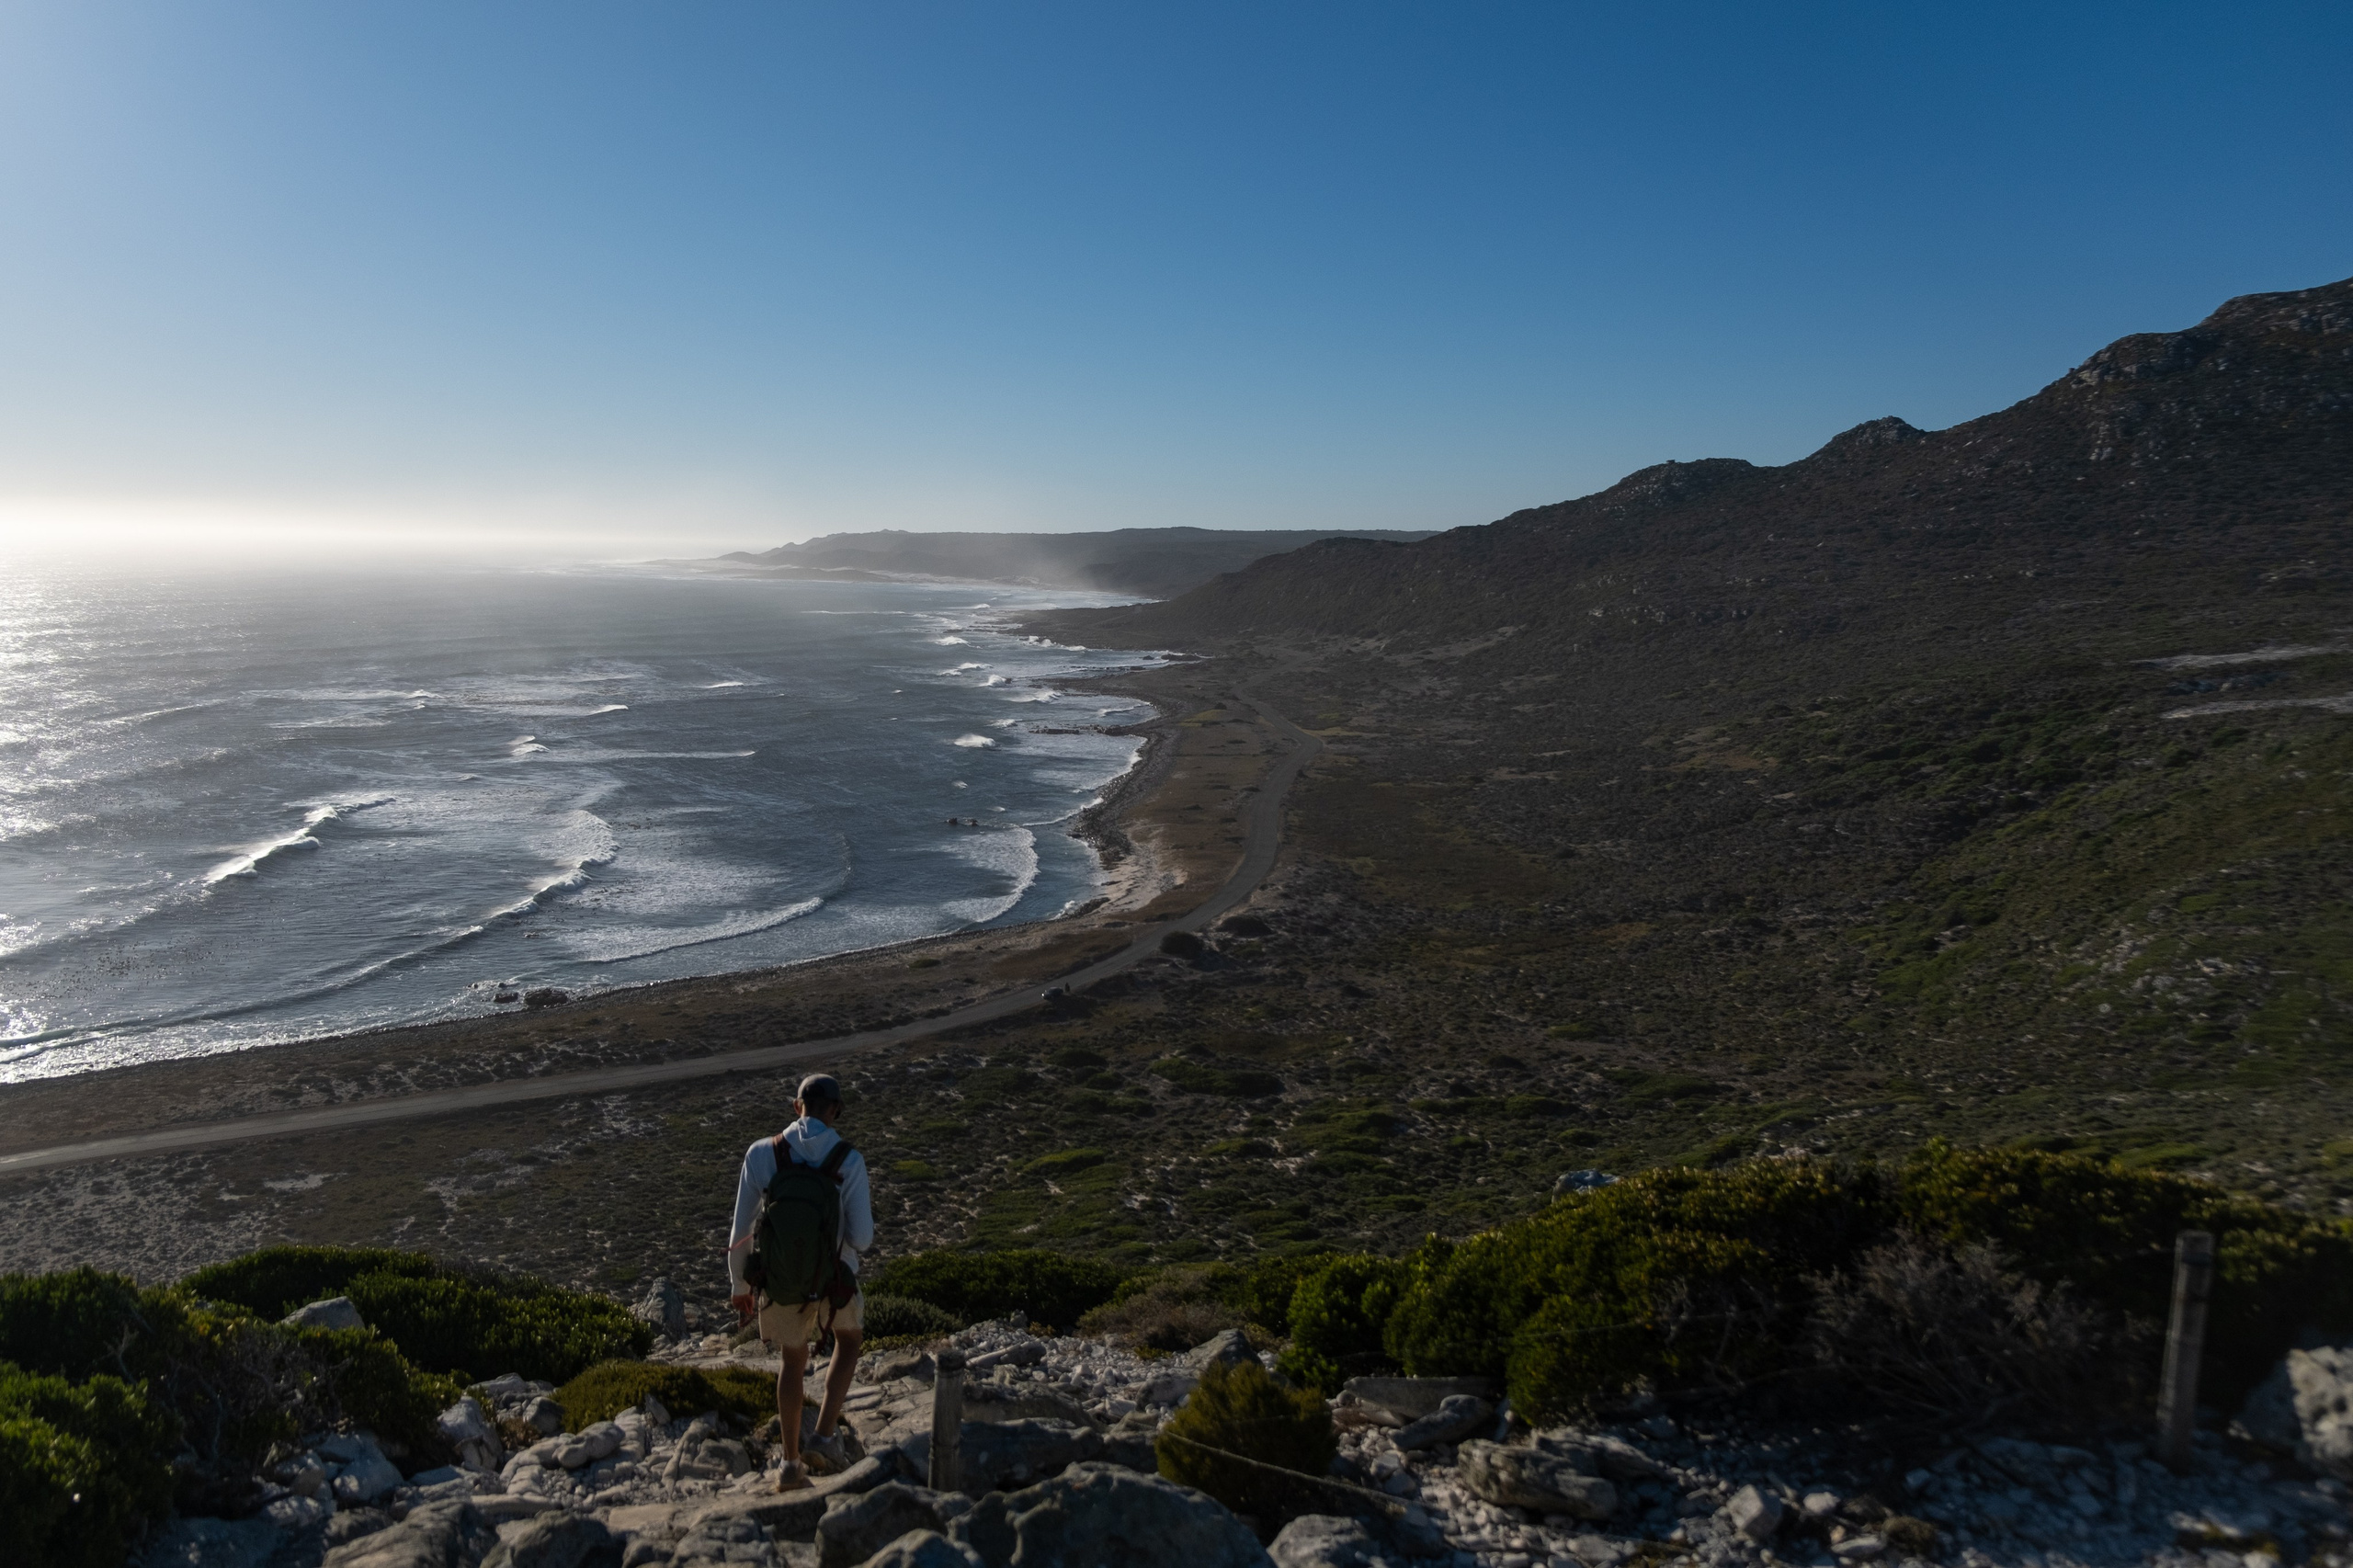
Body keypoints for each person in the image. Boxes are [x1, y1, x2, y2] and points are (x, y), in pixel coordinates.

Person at [727, 1073, 872, 1490]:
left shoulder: (762, 1153)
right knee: (848, 1342)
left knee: (793, 1363)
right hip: (834, 1278)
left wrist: (740, 1287)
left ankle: (790, 1466)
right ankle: (824, 1436)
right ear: (836, 1111)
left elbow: (742, 1230)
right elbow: (862, 1238)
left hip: (782, 1279)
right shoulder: (849, 1159)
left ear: (797, 1106)